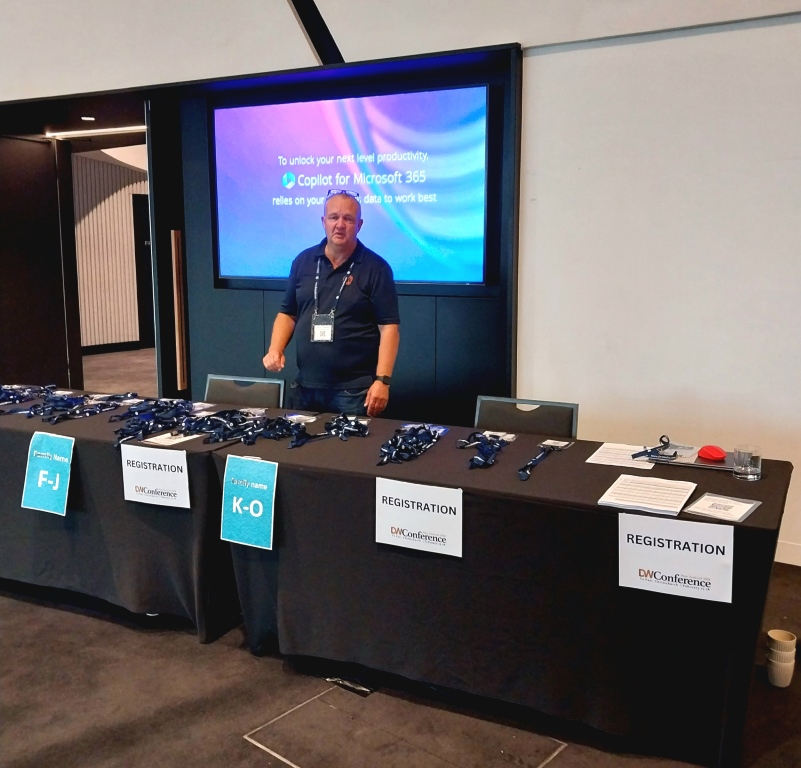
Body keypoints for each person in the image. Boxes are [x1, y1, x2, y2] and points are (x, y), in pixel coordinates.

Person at [263, 189, 400, 417]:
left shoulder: (376, 268)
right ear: (323, 221)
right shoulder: (303, 261)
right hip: (305, 388)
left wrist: (382, 381)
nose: (340, 225)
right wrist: (275, 349)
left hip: (353, 392)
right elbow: (288, 313)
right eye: (334, 217)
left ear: (359, 225)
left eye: (348, 219)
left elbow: (389, 328)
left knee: (351, 443)